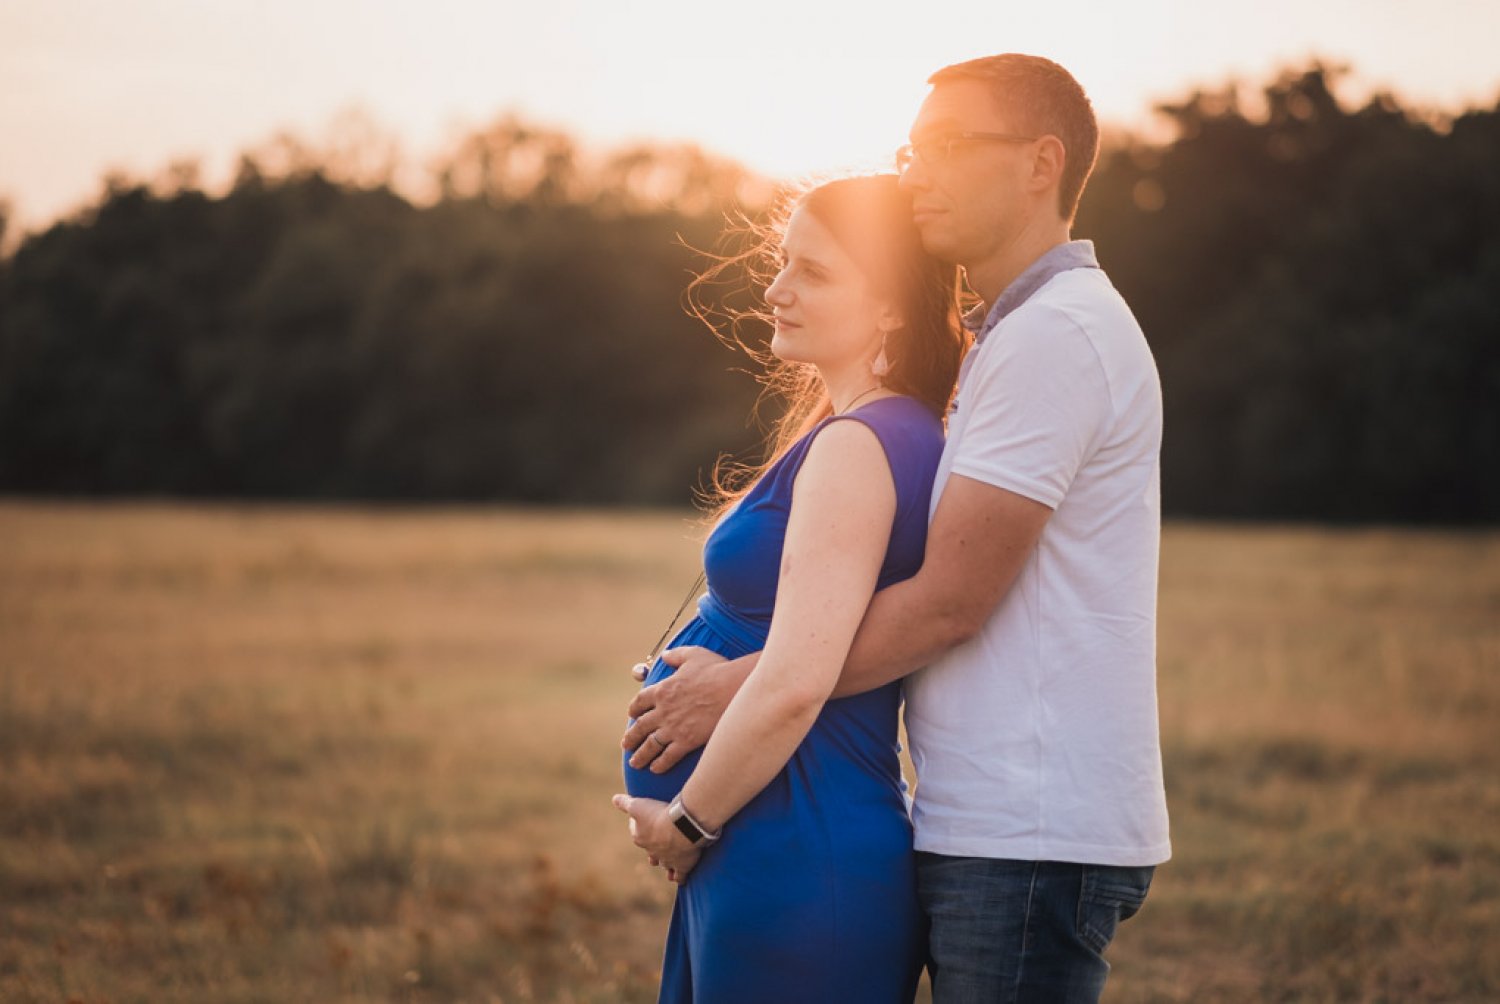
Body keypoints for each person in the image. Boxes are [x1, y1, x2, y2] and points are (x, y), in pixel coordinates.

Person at [622, 54, 1171, 1003]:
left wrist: (735, 697)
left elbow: (950, 603)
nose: (920, 173)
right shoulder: (1010, 338)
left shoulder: (1057, 334)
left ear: (1042, 165)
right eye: (913, 149)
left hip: (1028, 829)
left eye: (950, 147)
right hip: (981, 820)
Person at [613, 173, 966, 1003]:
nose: (776, 290)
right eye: (781, 265)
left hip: (794, 848)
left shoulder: (859, 445)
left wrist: (685, 821)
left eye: (814, 272)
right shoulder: (890, 431)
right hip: (777, 838)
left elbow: (800, 679)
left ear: (889, 308)